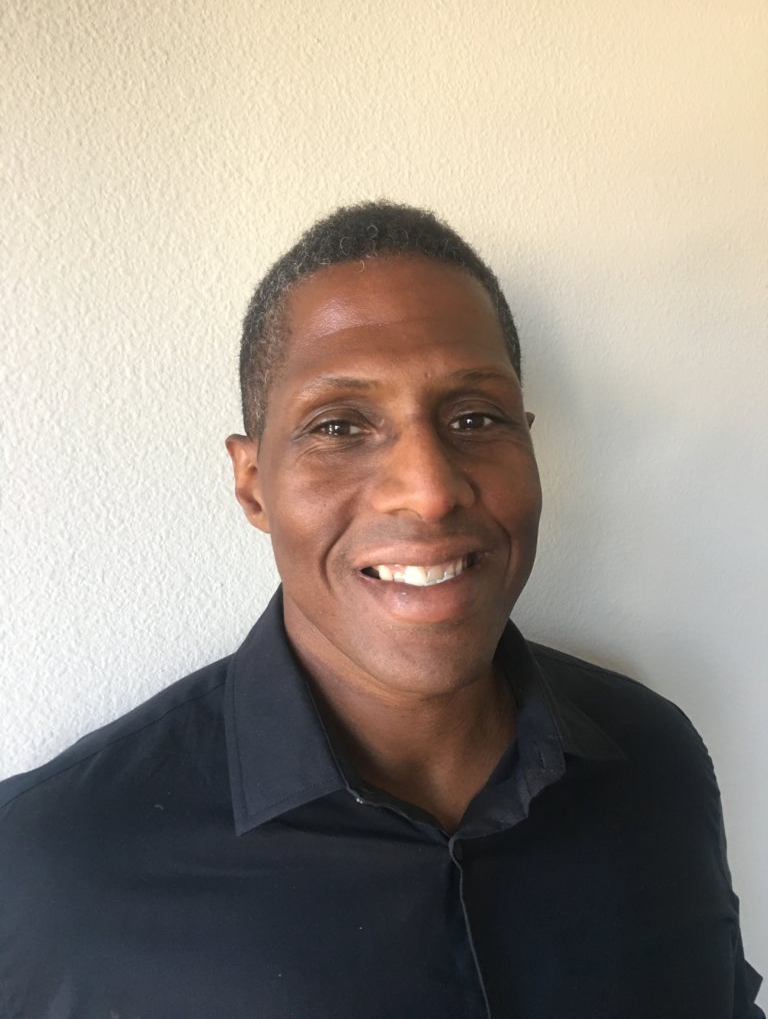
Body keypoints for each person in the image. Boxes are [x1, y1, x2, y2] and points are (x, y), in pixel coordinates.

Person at [0, 202, 762, 1018]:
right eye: (340, 426)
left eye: (475, 418)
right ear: (252, 483)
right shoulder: (48, 866)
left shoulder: (655, 761)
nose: (430, 492)